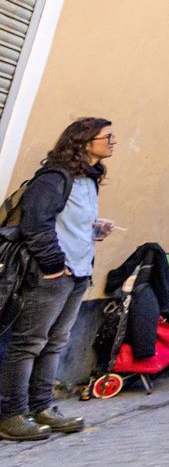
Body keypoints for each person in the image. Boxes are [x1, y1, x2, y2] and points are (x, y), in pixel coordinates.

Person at [0, 118, 118, 441]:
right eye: (106, 137)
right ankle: (10, 415)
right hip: (52, 275)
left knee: (55, 343)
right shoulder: (55, 178)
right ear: (83, 141)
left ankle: (42, 407)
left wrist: (95, 230)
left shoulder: (89, 180)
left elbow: (69, 224)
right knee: (28, 343)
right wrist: (53, 266)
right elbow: (36, 223)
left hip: (78, 275)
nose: (112, 142)